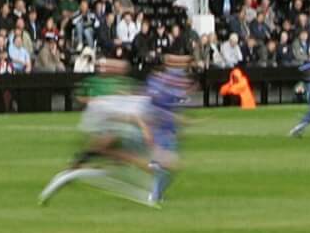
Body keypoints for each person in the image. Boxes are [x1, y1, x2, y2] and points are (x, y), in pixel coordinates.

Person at [38, 58, 156, 206]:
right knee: (105, 152)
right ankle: (76, 169)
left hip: (113, 128)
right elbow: (83, 99)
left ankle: (78, 169)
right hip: (104, 127)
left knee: (109, 154)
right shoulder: (97, 83)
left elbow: (132, 111)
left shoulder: (125, 86)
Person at [144, 53, 194, 205]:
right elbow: (155, 106)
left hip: (169, 130)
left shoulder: (169, 79)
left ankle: (156, 194)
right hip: (160, 130)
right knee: (168, 165)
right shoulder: (156, 83)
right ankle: (154, 195)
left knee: (170, 167)